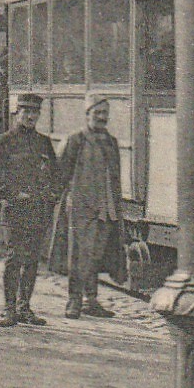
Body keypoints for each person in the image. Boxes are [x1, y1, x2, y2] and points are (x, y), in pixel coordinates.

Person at [0, 93, 59, 328]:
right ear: (17, 112)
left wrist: (52, 196)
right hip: (15, 209)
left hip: (38, 209)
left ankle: (24, 306)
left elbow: (57, 174)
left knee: (33, 259)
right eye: (26, 111)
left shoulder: (44, 142)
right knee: (14, 258)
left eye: (35, 112)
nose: (30, 116)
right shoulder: (4, 141)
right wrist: (12, 193)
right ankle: (9, 309)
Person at [56, 95, 123, 319]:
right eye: (97, 113)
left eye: (105, 113)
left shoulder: (111, 142)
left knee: (96, 255)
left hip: (106, 208)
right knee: (78, 256)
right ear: (87, 115)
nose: (102, 118)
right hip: (81, 207)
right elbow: (61, 175)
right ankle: (74, 301)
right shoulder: (75, 140)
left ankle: (91, 300)